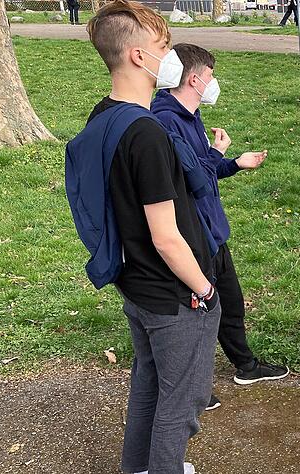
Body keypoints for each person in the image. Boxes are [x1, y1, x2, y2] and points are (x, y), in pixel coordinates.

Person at [84, 1, 219, 472]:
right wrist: (203, 289)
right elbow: (167, 237)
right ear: (139, 56)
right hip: (172, 293)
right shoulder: (147, 134)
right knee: (181, 404)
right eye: (163, 47)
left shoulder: (104, 117)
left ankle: (137, 468)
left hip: (134, 283)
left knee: (148, 385)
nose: (171, 58)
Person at [151, 43, 290, 412]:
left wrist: (233, 164)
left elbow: (204, 171)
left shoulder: (189, 115)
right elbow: (196, 179)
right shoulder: (165, 121)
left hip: (213, 230)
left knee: (229, 301)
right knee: (200, 313)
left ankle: (245, 365)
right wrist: (218, 152)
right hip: (192, 236)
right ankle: (195, 387)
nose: (214, 82)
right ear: (194, 79)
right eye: (211, 75)